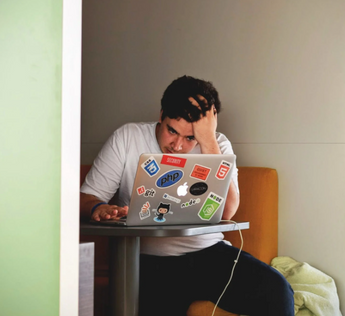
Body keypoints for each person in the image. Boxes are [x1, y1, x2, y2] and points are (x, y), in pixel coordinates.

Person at [80, 75, 294, 316]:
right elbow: (86, 197)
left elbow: (227, 211)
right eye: (172, 131)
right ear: (161, 115)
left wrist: (207, 141)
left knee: (277, 290)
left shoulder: (217, 145)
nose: (178, 145)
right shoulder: (127, 137)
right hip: (148, 260)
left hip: (208, 254)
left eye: (190, 137)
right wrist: (98, 207)